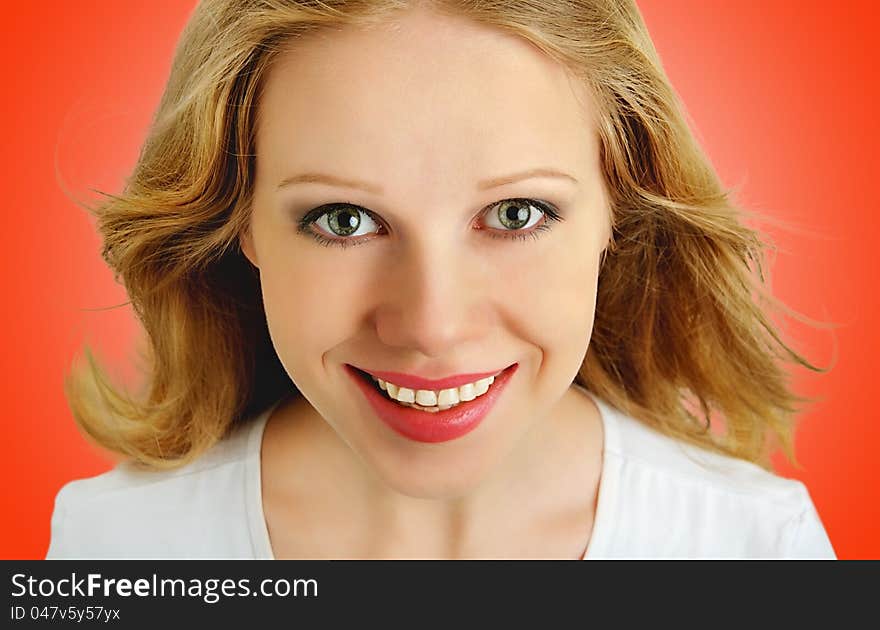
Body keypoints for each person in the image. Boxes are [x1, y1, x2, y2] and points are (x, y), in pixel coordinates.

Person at [46, 0, 836, 559]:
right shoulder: (116, 550)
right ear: (240, 222)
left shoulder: (754, 548)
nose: (432, 324)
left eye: (517, 214)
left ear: (616, 212)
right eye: (344, 220)